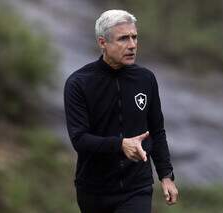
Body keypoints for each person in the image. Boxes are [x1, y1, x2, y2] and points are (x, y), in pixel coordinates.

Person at [64, 9, 178, 213]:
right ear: (102, 43)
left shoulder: (146, 79)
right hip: (94, 190)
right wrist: (120, 145)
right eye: (123, 39)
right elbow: (79, 139)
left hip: (137, 187)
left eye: (134, 37)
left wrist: (166, 175)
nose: (132, 45)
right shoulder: (78, 83)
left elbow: (157, 131)